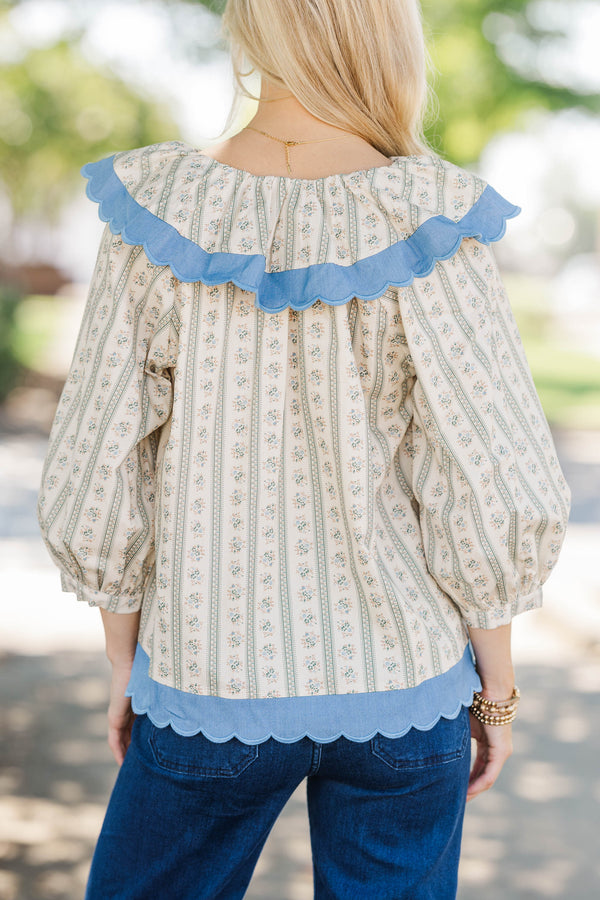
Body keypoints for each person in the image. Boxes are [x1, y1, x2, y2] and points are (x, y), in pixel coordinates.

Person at [36, 1, 571, 897]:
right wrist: (497, 694)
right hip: (408, 686)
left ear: (250, 31)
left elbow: (99, 463)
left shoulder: (159, 211)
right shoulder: (435, 214)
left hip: (209, 678)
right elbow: (489, 475)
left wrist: (126, 668)